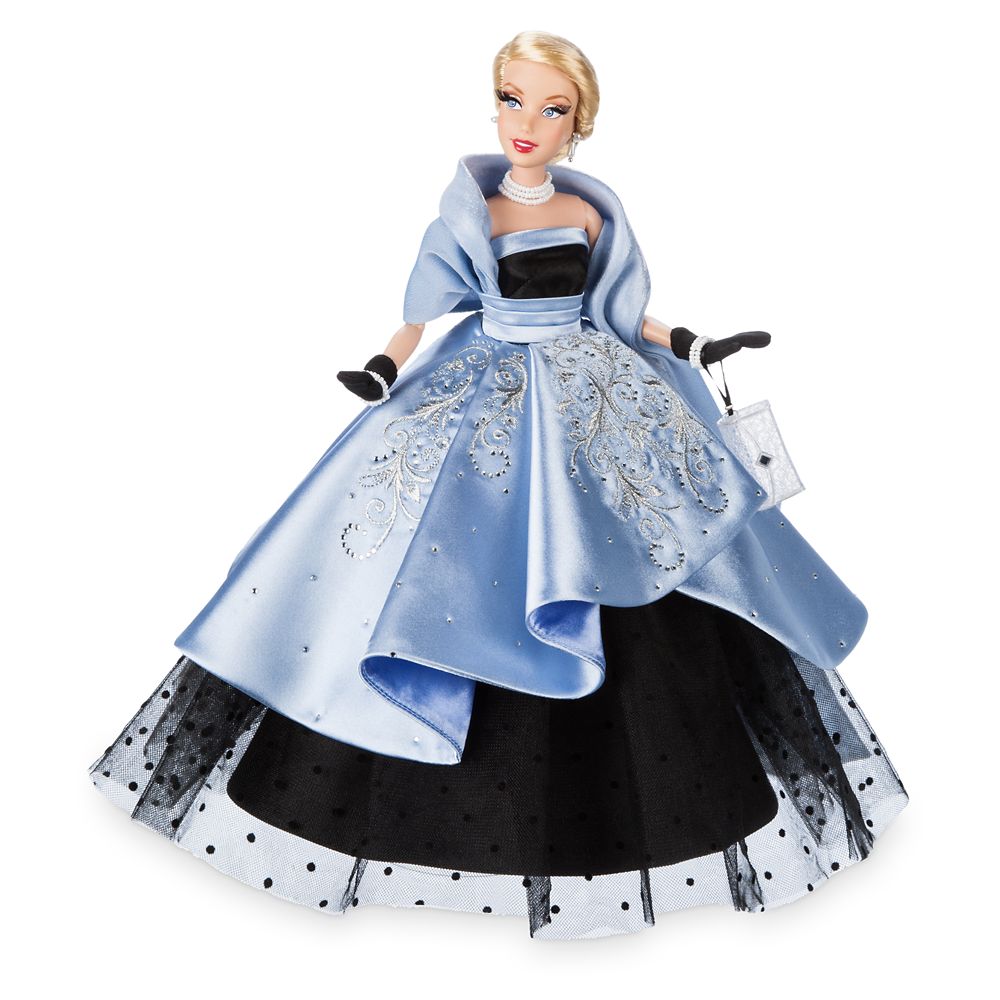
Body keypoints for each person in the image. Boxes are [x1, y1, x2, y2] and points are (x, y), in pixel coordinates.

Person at [88, 30, 908, 941]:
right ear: (495, 102)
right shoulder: (468, 216)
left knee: (628, 549)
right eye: (515, 100)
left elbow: (623, 313)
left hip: (589, 383)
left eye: (552, 108)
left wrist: (694, 343)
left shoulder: (589, 212)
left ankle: (633, 774)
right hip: (485, 383)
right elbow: (420, 316)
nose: (529, 122)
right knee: (450, 554)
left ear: (578, 122)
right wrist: (381, 369)